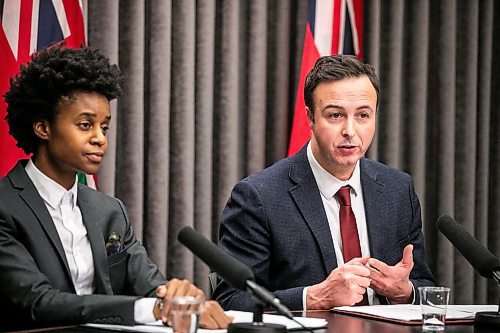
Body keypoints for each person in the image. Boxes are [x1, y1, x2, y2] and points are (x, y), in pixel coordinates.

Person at [0, 44, 232, 331]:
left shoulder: (109, 210)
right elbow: (39, 302)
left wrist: (179, 298)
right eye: (86, 125)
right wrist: (156, 308)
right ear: (43, 128)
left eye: (105, 127)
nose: (100, 138)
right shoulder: (5, 206)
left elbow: (150, 287)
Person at [213, 55, 434, 311]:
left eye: (363, 115)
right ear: (311, 118)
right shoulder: (258, 197)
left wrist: (404, 292)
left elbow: (423, 285)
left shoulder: (397, 189)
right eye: (335, 115)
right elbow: (230, 301)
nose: (350, 131)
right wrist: (315, 297)